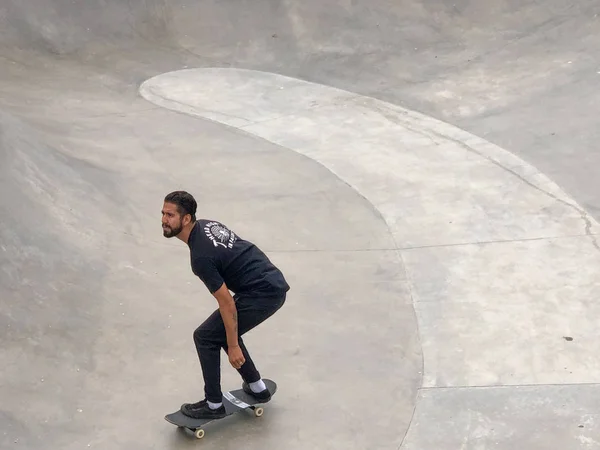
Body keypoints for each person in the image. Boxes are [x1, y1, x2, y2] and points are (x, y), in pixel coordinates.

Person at [161, 190, 290, 419]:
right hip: (268, 280)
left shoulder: (201, 257)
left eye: (170, 215)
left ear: (187, 218)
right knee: (221, 330)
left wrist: (233, 347)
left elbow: (227, 303)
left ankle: (213, 405)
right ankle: (257, 388)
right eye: (163, 213)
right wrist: (231, 340)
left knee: (206, 336)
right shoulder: (207, 224)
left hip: (263, 293)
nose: (164, 220)